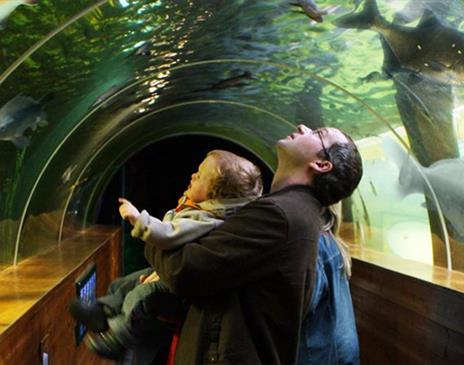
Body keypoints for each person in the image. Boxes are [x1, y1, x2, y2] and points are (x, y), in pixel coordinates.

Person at [145, 124, 363, 364]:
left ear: (321, 165)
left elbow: (183, 270)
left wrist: (153, 232)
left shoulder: (280, 214)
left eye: (318, 133)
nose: (303, 127)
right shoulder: (297, 213)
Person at [69, 149, 263, 361]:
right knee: (125, 283)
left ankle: (117, 337)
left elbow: (169, 235)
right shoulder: (201, 209)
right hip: (167, 274)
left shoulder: (207, 219)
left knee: (142, 295)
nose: (193, 176)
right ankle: (102, 312)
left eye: (200, 176)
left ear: (214, 194)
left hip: (179, 293)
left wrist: (138, 219)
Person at [298, 203, 360, 365]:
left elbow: (303, 307)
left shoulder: (314, 247)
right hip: (342, 352)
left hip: (317, 355)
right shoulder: (334, 243)